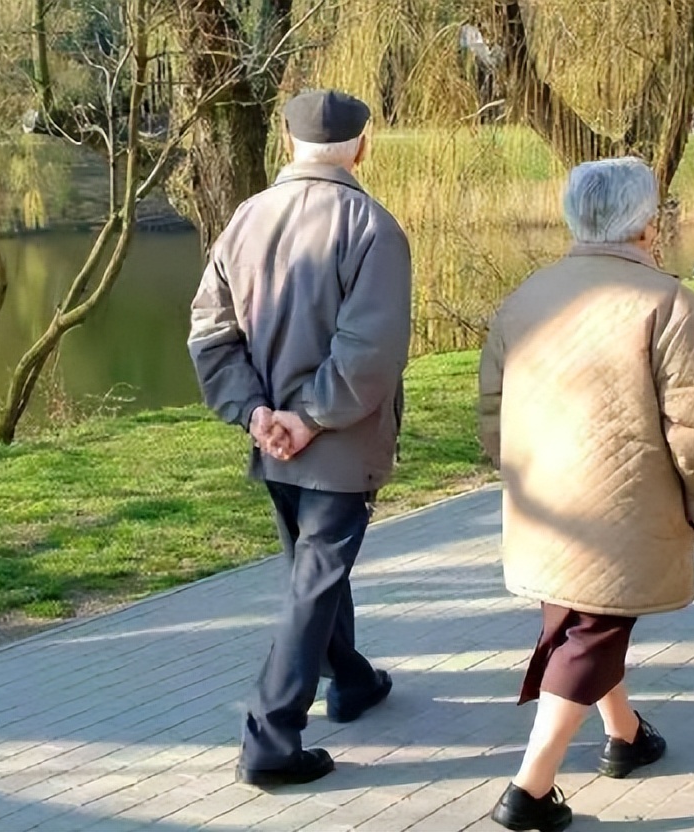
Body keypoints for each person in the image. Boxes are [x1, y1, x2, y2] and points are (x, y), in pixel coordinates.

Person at [478, 157, 694, 831]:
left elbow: (492, 410)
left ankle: (625, 734)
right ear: (647, 223)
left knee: (583, 621)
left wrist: (520, 478)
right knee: (592, 630)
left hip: (545, 502)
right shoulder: (672, 306)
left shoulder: (525, 297)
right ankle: (528, 793)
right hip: (626, 506)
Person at [188, 89, 411, 788]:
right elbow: (369, 350)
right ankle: (270, 742)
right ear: (362, 146)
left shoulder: (245, 219)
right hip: (334, 446)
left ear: (286, 143)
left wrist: (254, 413)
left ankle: (351, 680)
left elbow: (211, 332)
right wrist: (309, 418)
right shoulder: (372, 226)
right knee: (311, 587)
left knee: (314, 577)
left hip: (273, 444)